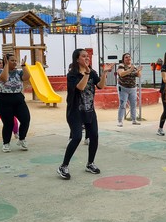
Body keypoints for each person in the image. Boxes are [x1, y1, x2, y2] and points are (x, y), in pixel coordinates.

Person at [58, 49, 114, 180]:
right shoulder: (72, 75)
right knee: (77, 137)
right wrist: (87, 73)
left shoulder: (92, 72)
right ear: (77, 59)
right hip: (75, 111)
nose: (87, 58)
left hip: (89, 110)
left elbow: (100, 86)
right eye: (84, 56)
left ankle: (90, 163)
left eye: (87, 56)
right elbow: (80, 87)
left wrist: (104, 73)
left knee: (94, 136)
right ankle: (63, 166)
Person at [0, 53, 31, 152]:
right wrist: (6, 66)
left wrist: (23, 65)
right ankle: (6, 143)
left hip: (18, 98)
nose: (15, 62)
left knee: (26, 119)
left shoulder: (19, 72)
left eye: (16, 60)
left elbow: (27, 77)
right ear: (6, 61)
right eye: (12, 60)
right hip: (4, 99)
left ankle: (22, 139)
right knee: (8, 123)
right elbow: (4, 78)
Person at [117, 53, 142, 126]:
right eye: (126, 57)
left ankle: (134, 120)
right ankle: (120, 121)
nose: (128, 58)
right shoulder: (121, 66)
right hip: (123, 88)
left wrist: (138, 71)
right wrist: (130, 70)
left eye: (129, 57)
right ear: (123, 59)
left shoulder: (134, 67)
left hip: (133, 88)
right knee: (122, 104)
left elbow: (139, 75)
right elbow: (121, 74)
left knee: (133, 104)